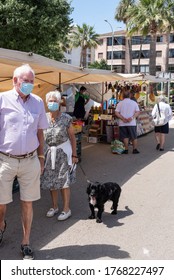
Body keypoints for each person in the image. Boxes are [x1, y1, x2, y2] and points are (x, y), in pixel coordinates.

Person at [0, 64, 49, 260]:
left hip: (30, 161)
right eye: (25, 81)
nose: (28, 84)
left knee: (27, 203)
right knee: (1, 203)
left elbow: (40, 133)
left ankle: (26, 242)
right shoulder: (2, 100)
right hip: (4, 160)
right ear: (15, 81)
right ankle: (1, 224)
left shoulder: (38, 102)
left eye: (31, 81)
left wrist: (41, 157)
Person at [41, 91, 78, 221]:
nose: (52, 103)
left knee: (64, 181)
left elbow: (72, 138)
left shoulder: (66, 118)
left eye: (55, 101)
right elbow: (40, 137)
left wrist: (74, 154)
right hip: (48, 153)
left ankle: (66, 209)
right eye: (50, 101)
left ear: (59, 103)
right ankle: (54, 206)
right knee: (52, 181)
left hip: (63, 153)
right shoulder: (43, 118)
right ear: (46, 103)